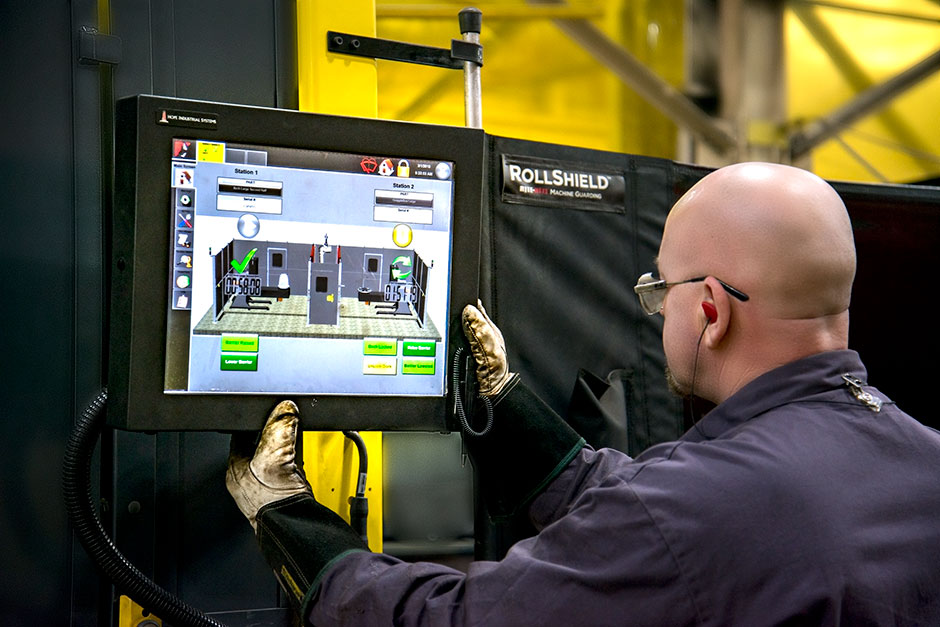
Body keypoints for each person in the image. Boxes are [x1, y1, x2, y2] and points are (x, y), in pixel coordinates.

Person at [226, 162, 940, 626]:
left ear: (712, 311)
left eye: (660, 291)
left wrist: (292, 522)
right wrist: (508, 404)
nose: (658, 311)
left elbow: (457, 621)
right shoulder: (919, 459)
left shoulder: (699, 510)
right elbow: (651, 503)